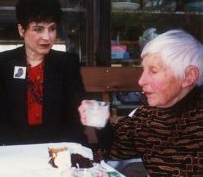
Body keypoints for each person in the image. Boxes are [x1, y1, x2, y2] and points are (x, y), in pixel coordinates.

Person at [79, 29, 203, 176]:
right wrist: (101, 122)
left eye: (154, 71)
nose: (141, 81)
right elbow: (118, 148)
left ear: (189, 76)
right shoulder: (149, 114)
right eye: (143, 69)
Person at [0, 0, 86, 145]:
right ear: (22, 30)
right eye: (38, 29)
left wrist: (59, 153)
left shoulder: (67, 63)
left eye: (52, 28)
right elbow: (0, 115)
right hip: (16, 148)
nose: (47, 37)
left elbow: (75, 116)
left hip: (59, 147)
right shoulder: (3, 63)